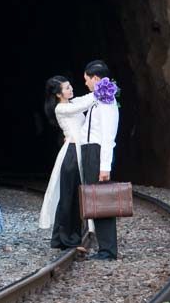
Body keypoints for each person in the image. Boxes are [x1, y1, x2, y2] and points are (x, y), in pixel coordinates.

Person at [39, 76, 93, 251]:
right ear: (58, 94)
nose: (71, 89)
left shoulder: (70, 104)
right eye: (67, 88)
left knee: (72, 195)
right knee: (68, 196)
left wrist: (101, 89)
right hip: (71, 153)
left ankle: (62, 238)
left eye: (70, 86)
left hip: (76, 150)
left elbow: (84, 100)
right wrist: (103, 91)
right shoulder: (61, 108)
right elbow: (84, 104)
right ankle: (68, 239)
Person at [79, 60, 120, 260]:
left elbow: (108, 136)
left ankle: (108, 250)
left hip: (97, 153)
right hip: (89, 152)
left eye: (87, 79)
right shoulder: (96, 99)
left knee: (101, 200)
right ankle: (105, 247)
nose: (85, 83)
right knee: (95, 199)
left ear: (95, 78)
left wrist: (105, 166)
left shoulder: (107, 101)